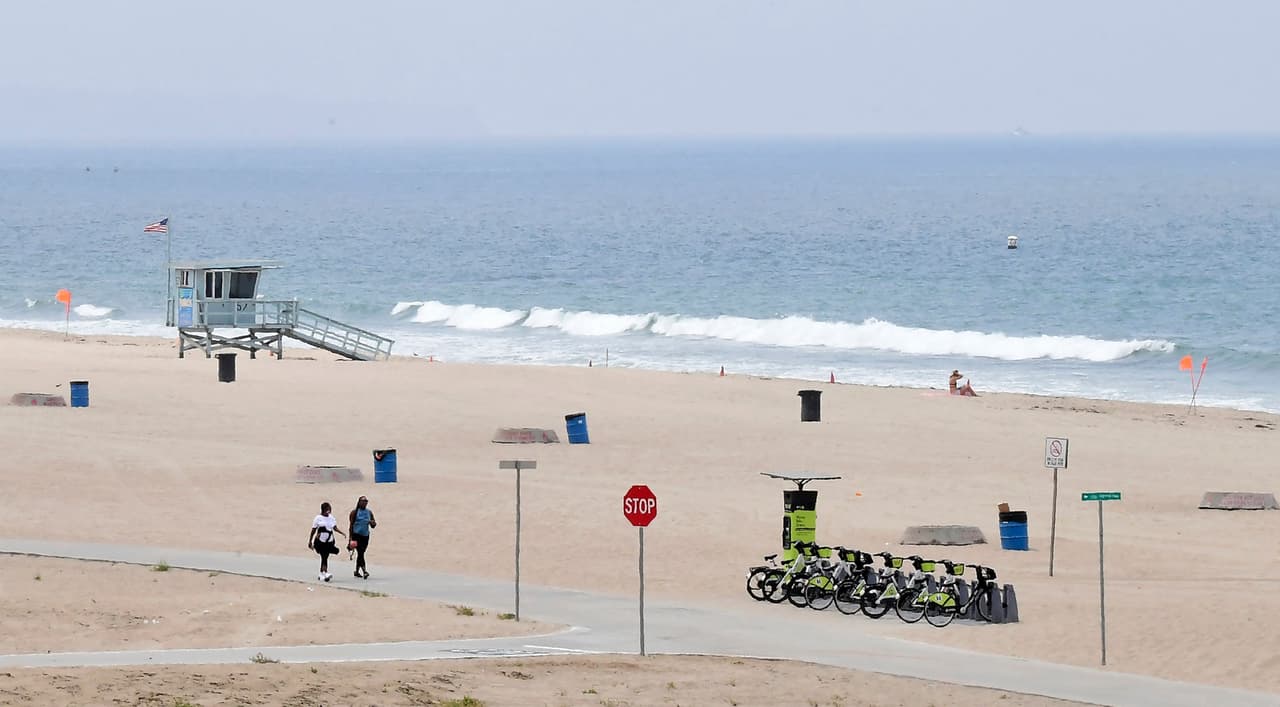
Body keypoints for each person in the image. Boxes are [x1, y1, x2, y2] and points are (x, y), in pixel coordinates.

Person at [307, 502, 345, 582]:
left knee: (326, 556)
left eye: (329, 509)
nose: (329, 511)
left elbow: (334, 527)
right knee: (324, 556)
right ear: (323, 510)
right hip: (320, 541)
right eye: (327, 509)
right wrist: (310, 541)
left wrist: (342, 533)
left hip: (330, 541)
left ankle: (321, 574)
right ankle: (325, 572)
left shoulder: (331, 517)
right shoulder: (318, 518)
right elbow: (313, 530)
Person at [348, 495, 377, 579]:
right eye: (363, 501)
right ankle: (364, 571)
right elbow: (351, 526)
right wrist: (350, 538)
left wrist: (372, 523)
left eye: (366, 501)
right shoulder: (354, 512)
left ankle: (356, 571)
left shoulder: (369, 512)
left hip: (365, 535)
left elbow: (373, 525)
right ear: (359, 502)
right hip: (356, 535)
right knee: (360, 553)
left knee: (361, 553)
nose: (364, 503)